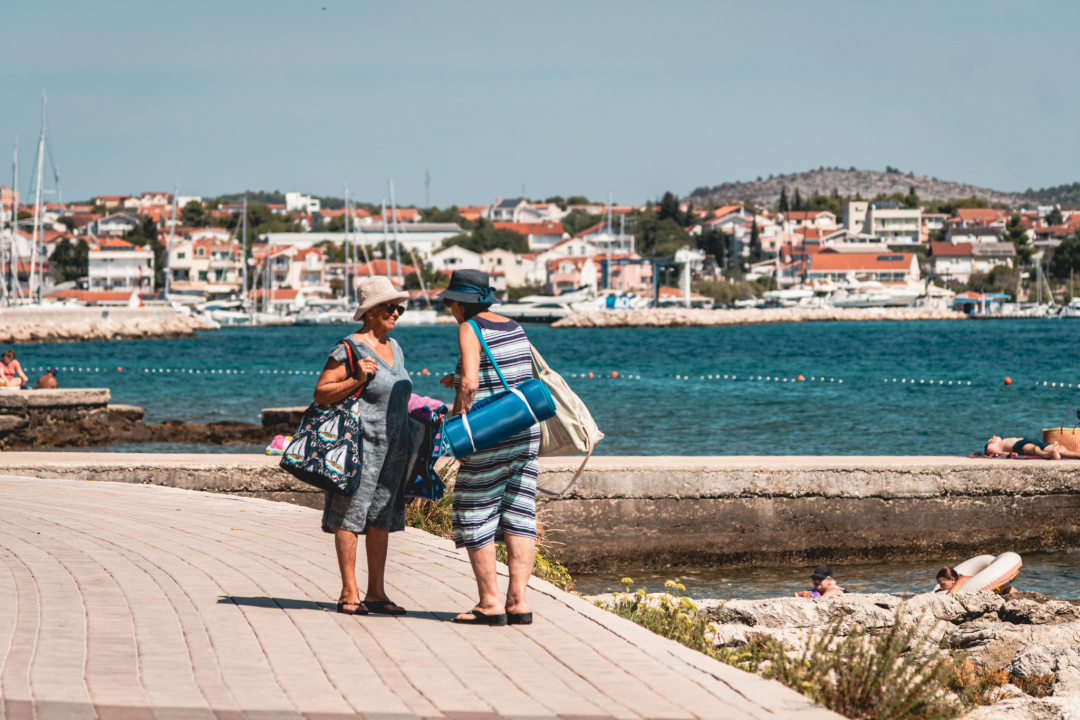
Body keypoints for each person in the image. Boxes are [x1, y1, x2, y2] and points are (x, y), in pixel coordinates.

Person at [438, 269, 539, 626]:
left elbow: (470, 384)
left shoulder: (469, 328)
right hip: (525, 428)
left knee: (474, 509)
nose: (450, 309)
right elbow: (512, 374)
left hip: (490, 434)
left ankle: (490, 603)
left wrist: (458, 429)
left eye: (450, 302)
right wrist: (458, 376)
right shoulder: (514, 326)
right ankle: (518, 603)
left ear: (460, 303)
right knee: (519, 512)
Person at [313, 276, 413, 616]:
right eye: (390, 307)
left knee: (381, 518)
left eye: (399, 308)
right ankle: (349, 592)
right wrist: (357, 379)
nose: (396, 312)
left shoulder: (395, 347)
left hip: (393, 450)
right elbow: (321, 393)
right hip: (358, 449)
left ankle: (376, 593)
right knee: (350, 516)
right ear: (370, 311)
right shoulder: (348, 349)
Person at [935, 566, 1016, 595]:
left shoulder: (960, 581)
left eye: (943, 584)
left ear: (952, 579)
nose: (941, 588)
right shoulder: (961, 579)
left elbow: (949, 596)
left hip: (1006, 591)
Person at [984, 435, 1080, 460]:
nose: (993, 436)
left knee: (1061, 449)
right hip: (1018, 445)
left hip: (1030, 441)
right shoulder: (992, 445)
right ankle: (1050, 454)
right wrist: (1007, 454)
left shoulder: (1000, 441)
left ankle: (1078, 455)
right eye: (990, 439)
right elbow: (992, 451)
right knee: (1035, 450)